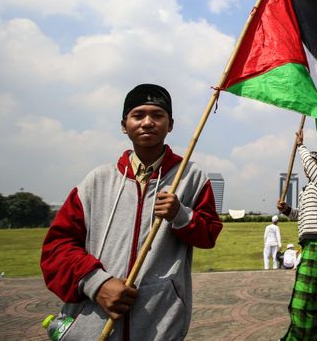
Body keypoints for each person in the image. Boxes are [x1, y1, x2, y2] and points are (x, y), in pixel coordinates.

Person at [41, 84, 222, 340]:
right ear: (124, 125)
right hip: (95, 321)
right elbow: (57, 247)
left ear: (170, 124)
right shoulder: (97, 181)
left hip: (160, 320)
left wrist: (180, 215)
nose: (147, 122)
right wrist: (97, 283)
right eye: (138, 115)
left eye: (157, 115)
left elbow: (209, 235)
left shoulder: (191, 177)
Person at [276, 129, 317, 341]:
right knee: (316, 292)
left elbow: (309, 164)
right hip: (310, 241)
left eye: (312, 166)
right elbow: (300, 216)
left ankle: (300, 335)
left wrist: (301, 146)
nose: (307, 169)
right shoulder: (307, 190)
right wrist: (287, 211)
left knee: (304, 295)